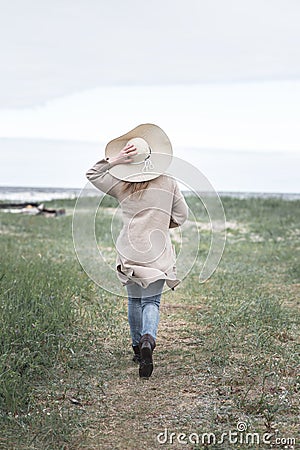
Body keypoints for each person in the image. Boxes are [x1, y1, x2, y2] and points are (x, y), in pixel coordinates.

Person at [86, 124, 188, 379]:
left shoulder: (122, 185)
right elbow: (181, 216)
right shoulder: (169, 182)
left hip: (130, 251)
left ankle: (136, 348)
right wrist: (164, 223)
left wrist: (116, 160)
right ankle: (147, 341)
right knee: (152, 301)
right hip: (158, 252)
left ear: (130, 162)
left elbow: (93, 173)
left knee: (134, 301)